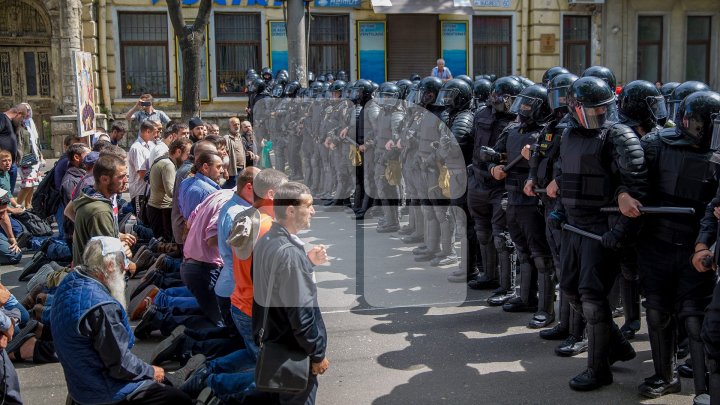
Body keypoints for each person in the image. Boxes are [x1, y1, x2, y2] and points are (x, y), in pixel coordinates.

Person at [550, 76, 645, 391]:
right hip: (574, 226)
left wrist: (619, 233)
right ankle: (616, 344)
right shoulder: (568, 134)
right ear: (575, 108)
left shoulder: (619, 136)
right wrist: (560, 211)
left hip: (600, 228)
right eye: (592, 110)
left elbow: (635, 191)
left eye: (603, 109)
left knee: (592, 298)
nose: (599, 116)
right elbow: (566, 174)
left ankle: (599, 369)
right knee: (570, 289)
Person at [52, 237, 192, 405]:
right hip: (101, 391)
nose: (127, 267)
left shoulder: (71, 280)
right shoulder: (102, 307)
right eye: (123, 263)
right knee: (178, 398)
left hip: (80, 384)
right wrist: (151, 371)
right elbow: (120, 365)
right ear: (110, 266)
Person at [252, 181, 329, 405]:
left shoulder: (266, 241)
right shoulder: (290, 256)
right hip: (293, 353)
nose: (313, 211)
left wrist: (306, 264)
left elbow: (272, 285)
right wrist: (317, 354)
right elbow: (302, 316)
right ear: (291, 210)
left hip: (275, 344)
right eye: (309, 205)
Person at [72, 154, 132, 265]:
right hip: (95, 279)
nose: (126, 180)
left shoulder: (89, 196)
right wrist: (128, 261)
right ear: (104, 179)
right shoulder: (100, 211)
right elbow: (109, 259)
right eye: (121, 177)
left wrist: (117, 237)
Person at [147, 138, 192, 241]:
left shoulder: (164, 160)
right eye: (188, 154)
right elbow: (171, 192)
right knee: (164, 243)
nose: (188, 158)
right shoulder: (168, 165)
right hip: (162, 210)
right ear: (178, 152)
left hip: (157, 208)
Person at [128, 120, 158, 221]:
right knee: (140, 220)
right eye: (155, 132)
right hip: (140, 192)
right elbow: (142, 173)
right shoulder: (137, 148)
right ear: (147, 132)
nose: (157, 135)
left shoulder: (151, 145)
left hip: (149, 190)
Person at [16, 103, 44, 210]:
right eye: (24, 110)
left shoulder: (30, 123)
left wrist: (41, 156)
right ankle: (16, 206)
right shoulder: (17, 124)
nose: (26, 113)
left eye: (28, 110)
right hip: (24, 159)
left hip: (34, 158)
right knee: (27, 184)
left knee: (32, 183)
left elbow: (36, 142)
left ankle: (28, 205)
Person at [0, 104, 28, 195]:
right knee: (3, 193)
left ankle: (8, 207)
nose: (22, 120)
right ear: (18, 113)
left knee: (8, 193)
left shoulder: (11, 122)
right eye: (23, 117)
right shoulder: (2, 118)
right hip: (3, 163)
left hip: (10, 163)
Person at [223, 117, 247, 190]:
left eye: (238, 124)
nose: (237, 126)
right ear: (229, 127)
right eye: (234, 125)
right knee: (231, 189)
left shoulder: (241, 138)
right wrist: (225, 170)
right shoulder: (226, 139)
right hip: (232, 170)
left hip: (242, 169)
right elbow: (223, 155)